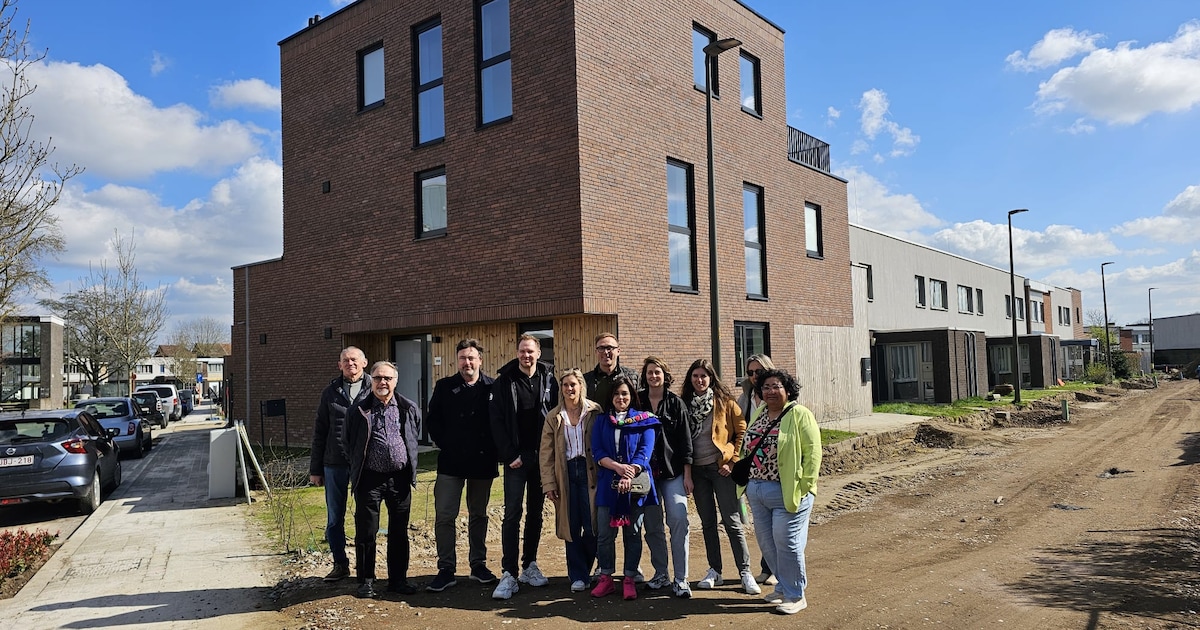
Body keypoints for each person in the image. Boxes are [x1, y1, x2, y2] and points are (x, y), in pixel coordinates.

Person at [742, 369, 821, 615]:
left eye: (776, 386)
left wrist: (805, 485)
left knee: (787, 542)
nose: (770, 391)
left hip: (787, 492)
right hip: (756, 490)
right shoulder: (759, 413)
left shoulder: (799, 414)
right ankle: (783, 588)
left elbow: (813, 453)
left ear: (788, 390)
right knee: (768, 543)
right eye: (766, 387)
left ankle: (796, 594)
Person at [680, 358, 760, 595]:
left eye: (704, 376)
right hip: (697, 471)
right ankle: (715, 570)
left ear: (711, 378)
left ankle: (745, 572)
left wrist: (732, 460)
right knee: (707, 523)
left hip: (721, 469)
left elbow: (741, 430)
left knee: (732, 521)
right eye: (695, 376)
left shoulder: (724, 401)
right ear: (690, 379)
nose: (699, 380)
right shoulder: (684, 404)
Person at [489, 334, 560, 599]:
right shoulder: (504, 381)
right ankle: (508, 573)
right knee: (512, 513)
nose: (526, 355)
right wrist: (509, 454)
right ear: (517, 353)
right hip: (516, 459)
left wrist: (550, 456)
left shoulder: (550, 379)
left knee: (535, 513)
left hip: (542, 458)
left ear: (539, 353)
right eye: (522, 351)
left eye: (530, 351)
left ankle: (529, 564)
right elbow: (496, 421)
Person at [425, 339, 499, 592]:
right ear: (457, 361)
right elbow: (432, 420)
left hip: (482, 462)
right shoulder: (445, 386)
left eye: (471, 358)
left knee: (478, 515)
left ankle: (478, 565)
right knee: (445, 516)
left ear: (480, 360)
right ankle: (446, 568)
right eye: (462, 358)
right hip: (451, 463)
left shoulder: (493, 387)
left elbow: (500, 423)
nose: (467, 363)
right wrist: (447, 444)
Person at [343, 361, 421, 599]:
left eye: (388, 378)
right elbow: (348, 443)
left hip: (399, 479)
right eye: (377, 378)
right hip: (369, 479)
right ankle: (366, 581)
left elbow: (413, 436)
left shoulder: (408, 408)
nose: (382, 383)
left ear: (395, 381)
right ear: (371, 380)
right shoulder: (358, 410)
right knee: (367, 531)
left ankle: (398, 580)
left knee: (399, 532)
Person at [590, 374, 659, 601]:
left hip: (635, 485)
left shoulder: (644, 420)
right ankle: (606, 578)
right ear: (611, 397)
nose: (621, 397)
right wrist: (618, 467)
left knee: (633, 533)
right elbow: (597, 451)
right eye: (617, 394)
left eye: (625, 394)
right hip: (608, 485)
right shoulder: (601, 421)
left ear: (632, 396)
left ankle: (629, 578)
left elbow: (645, 452)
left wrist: (630, 471)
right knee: (604, 535)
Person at [308, 346, 372, 582]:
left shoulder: (373, 388)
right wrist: (316, 469)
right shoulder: (330, 392)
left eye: (354, 359)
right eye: (345, 360)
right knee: (335, 517)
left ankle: (366, 567)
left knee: (365, 515)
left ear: (364, 362)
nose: (350, 364)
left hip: (365, 463)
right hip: (334, 463)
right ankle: (340, 564)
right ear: (339, 365)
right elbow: (320, 431)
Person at [636, 356, 697, 598]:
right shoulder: (637, 402)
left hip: (673, 474)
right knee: (652, 526)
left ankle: (681, 579)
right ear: (645, 375)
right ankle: (661, 573)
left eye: (657, 372)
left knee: (679, 519)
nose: (653, 376)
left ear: (665, 375)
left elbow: (686, 441)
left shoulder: (676, 404)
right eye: (650, 372)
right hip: (646, 476)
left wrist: (688, 475)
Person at [539, 368, 602, 593]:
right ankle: (578, 575)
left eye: (573, 384)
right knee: (571, 526)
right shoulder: (554, 416)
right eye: (565, 385)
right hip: (565, 474)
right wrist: (549, 484)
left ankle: (587, 568)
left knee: (592, 524)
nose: (569, 389)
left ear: (581, 386)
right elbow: (546, 454)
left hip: (590, 472)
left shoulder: (595, 411)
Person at [735, 353, 779, 587]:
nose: (754, 376)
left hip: (774, 468)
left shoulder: (777, 397)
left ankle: (775, 570)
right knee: (761, 524)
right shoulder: (745, 398)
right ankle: (766, 567)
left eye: (758, 372)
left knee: (775, 524)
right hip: (752, 469)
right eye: (750, 372)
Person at [584, 332, 639, 407]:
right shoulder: (586, 380)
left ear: (618, 351)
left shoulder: (633, 376)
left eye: (609, 348)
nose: (605, 352)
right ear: (596, 352)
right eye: (601, 348)